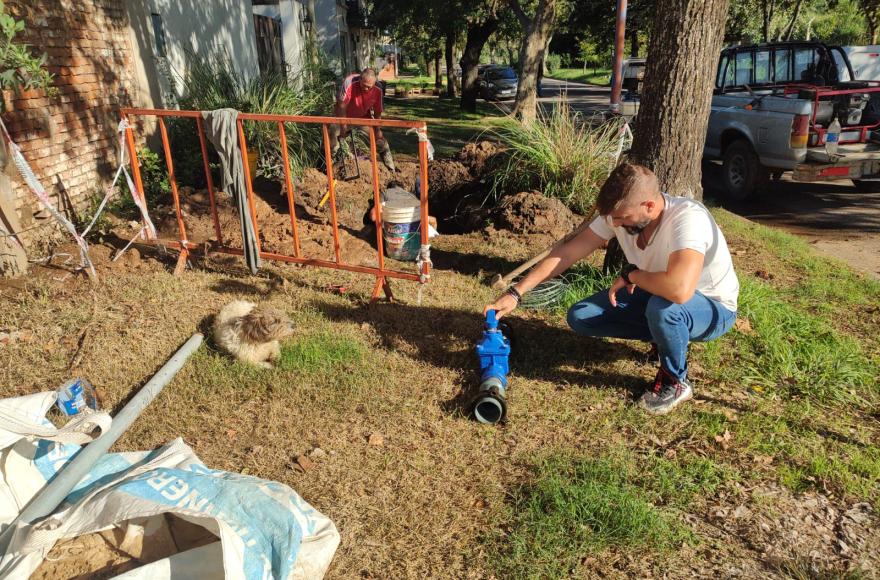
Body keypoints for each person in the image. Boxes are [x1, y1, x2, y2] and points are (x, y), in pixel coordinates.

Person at [484, 163, 739, 415]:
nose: (614, 225)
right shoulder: (620, 215)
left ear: (649, 206)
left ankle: (675, 381)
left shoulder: (687, 219)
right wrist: (516, 293)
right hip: (660, 294)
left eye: (621, 218)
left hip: (712, 306)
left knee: (663, 310)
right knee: (582, 316)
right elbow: (568, 253)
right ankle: (663, 338)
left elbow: (680, 290)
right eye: (612, 218)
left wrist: (632, 274)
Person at [330, 67, 396, 172]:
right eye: (364, 86)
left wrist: (378, 130)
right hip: (343, 116)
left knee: (380, 140)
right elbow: (341, 106)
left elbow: (378, 111)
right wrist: (343, 127)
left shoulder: (378, 89)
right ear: (360, 79)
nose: (366, 89)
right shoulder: (350, 82)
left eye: (369, 87)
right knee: (332, 135)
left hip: (363, 118)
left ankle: (390, 168)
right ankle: (328, 166)